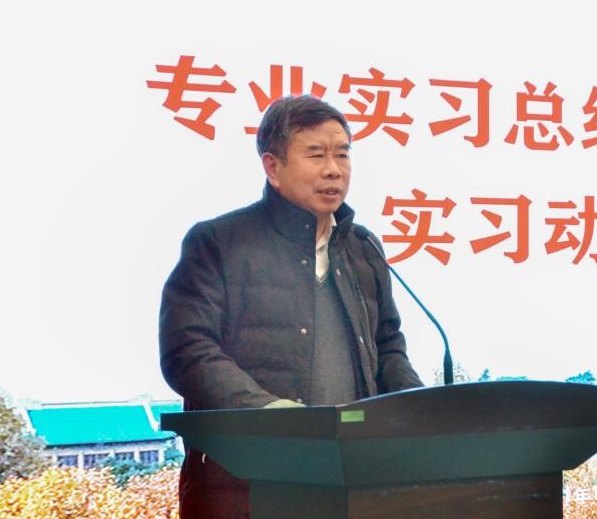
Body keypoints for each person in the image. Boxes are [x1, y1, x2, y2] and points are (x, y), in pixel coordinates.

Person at [159, 95, 424, 518]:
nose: (333, 169)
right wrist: (266, 411)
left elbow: (388, 347)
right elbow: (188, 351)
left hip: (352, 485)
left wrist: (422, 410)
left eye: (342, 154)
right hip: (246, 487)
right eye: (316, 155)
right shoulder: (219, 242)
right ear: (273, 167)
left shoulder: (362, 247)